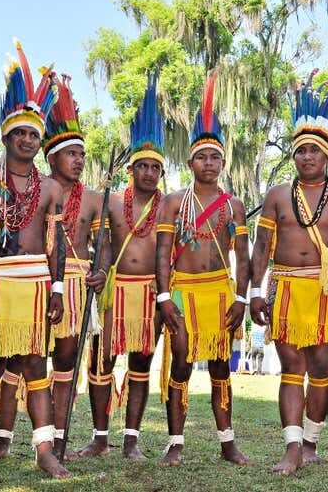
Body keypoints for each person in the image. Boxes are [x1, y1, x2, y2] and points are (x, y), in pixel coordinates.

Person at [0, 40, 67, 478]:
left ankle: (44, 451)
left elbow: (55, 244)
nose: (26, 139)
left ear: (41, 143)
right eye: (19, 132)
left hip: (36, 280)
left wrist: (58, 288)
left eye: (34, 134)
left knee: (35, 363)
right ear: (6, 135)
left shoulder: (51, 189)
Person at [250, 72, 328, 475]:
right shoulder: (278, 195)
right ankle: (292, 447)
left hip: (326, 290)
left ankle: (312, 440)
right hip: (283, 287)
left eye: (314, 151)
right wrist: (253, 291)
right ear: (294, 155)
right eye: (300, 151)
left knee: (320, 368)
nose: (307, 157)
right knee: (291, 368)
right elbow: (262, 247)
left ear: (327, 155)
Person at [155, 72, 250, 467]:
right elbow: (162, 254)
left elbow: (242, 258)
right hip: (182, 290)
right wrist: (164, 298)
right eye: (201, 157)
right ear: (190, 161)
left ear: (223, 161)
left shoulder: (234, 205)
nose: (208, 163)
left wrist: (242, 298)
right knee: (180, 360)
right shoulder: (174, 203)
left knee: (218, 367)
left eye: (215, 157)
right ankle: (175, 442)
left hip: (219, 291)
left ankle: (227, 443)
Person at [75, 72, 165, 459]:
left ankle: (131, 439)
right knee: (100, 361)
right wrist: (99, 273)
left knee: (141, 365)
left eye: (154, 168)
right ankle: (99, 437)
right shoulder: (110, 201)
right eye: (142, 166)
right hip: (113, 290)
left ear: (161, 172)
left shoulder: (171, 205)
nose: (148, 172)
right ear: (131, 169)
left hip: (149, 292)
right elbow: (103, 245)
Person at [42, 73, 109, 457]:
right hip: (40, 280)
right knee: (28, 359)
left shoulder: (94, 199)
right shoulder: (35, 189)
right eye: (72, 154)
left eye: (82, 155)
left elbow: (104, 245)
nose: (80, 161)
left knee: (66, 361)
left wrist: (99, 270)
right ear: (52, 158)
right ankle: (7, 439)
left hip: (77, 284)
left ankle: (59, 437)